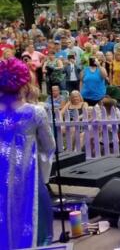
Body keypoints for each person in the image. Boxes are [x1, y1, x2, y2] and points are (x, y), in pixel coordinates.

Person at [0, 58, 56, 248]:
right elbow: (49, 147)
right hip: (28, 177)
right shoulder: (35, 113)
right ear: (24, 84)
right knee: (37, 220)